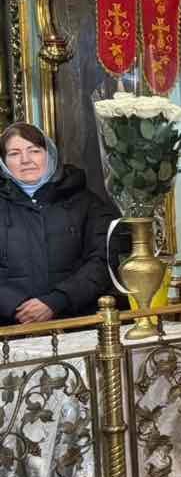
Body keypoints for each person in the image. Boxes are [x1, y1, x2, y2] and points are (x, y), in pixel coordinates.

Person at [0, 123, 117, 325]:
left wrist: (58, 300)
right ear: (3, 162)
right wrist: (15, 306)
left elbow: (103, 259)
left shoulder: (86, 202)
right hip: (10, 328)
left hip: (76, 323)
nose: (25, 160)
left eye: (34, 151)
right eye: (14, 153)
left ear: (50, 154)